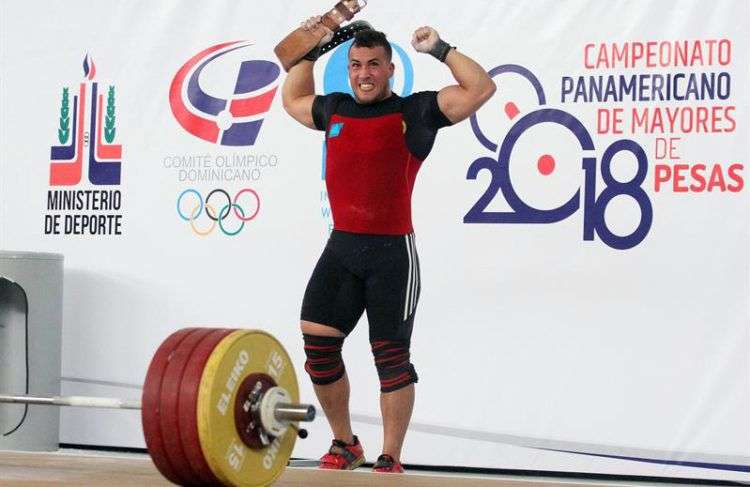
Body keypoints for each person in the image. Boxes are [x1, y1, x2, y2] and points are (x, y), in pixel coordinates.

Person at [282, 17, 495, 473]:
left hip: (391, 256)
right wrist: (311, 50)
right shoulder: (335, 108)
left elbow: (480, 88)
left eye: (373, 65)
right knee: (318, 347)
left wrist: (440, 49)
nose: (364, 73)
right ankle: (345, 444)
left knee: (391, 358)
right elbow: (293, 99)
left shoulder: (413, 113)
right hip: (341, 250)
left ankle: (390, 455)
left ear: (390, 69)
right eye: (357, 64)